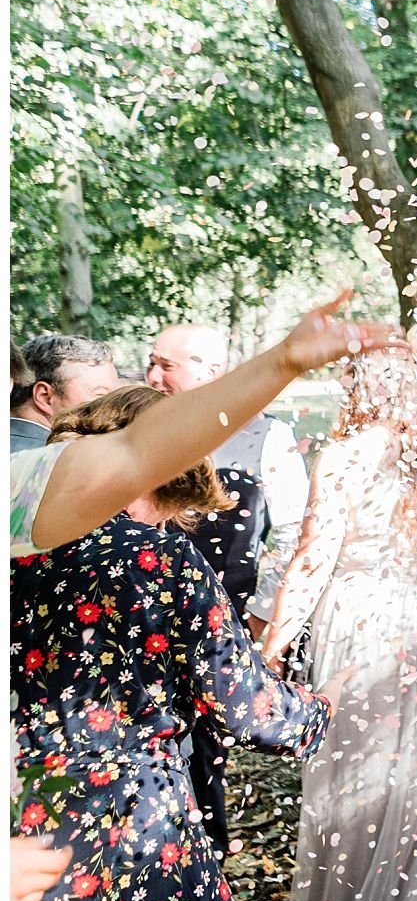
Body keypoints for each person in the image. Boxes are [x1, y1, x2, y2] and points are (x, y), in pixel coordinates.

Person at [6, 291, 394, 901]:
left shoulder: (18, 526)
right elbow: (244, 704)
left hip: (21, 811)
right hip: (131, 821)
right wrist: (323, 706)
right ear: (161, 478)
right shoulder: (157, 555)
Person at [260, 348, 417, 901]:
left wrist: (271, 645)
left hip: (365, 623)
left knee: (359, 770)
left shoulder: (342, 455)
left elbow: (312, 559)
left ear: (358, 386)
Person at [144, 322, 312, 855]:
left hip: (222, 620)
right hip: (140, 620)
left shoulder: (269, 436)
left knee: (207, 754)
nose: (152, 375)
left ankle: (205, 864)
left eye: (166, 365)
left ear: (210, 371)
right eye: (151, 362)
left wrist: (262, 617)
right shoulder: (135, 428)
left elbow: (291, 531)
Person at [10, 334, 119, 453]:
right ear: (45, 397)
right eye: (101, 396)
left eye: (116, 398)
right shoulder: (60, 461)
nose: (116, 410)